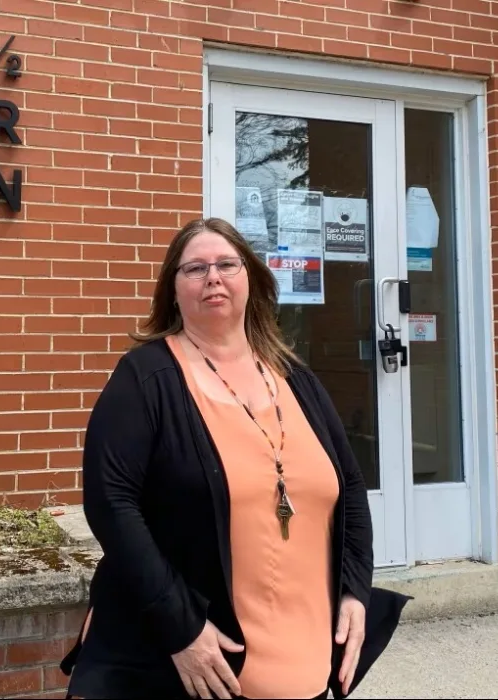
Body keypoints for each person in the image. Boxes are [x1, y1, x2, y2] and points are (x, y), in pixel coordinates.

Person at [60, 217, 411, 699]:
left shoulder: (295, 378)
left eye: (228, 264)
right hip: (189, 666)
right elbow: (111, 503)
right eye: (195, 268)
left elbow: (348, 486)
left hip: (305, 661)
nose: (213, 277)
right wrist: (179, 627)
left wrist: (354, 590)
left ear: (253, 280)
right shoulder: (145, 378)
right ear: (173, 289)